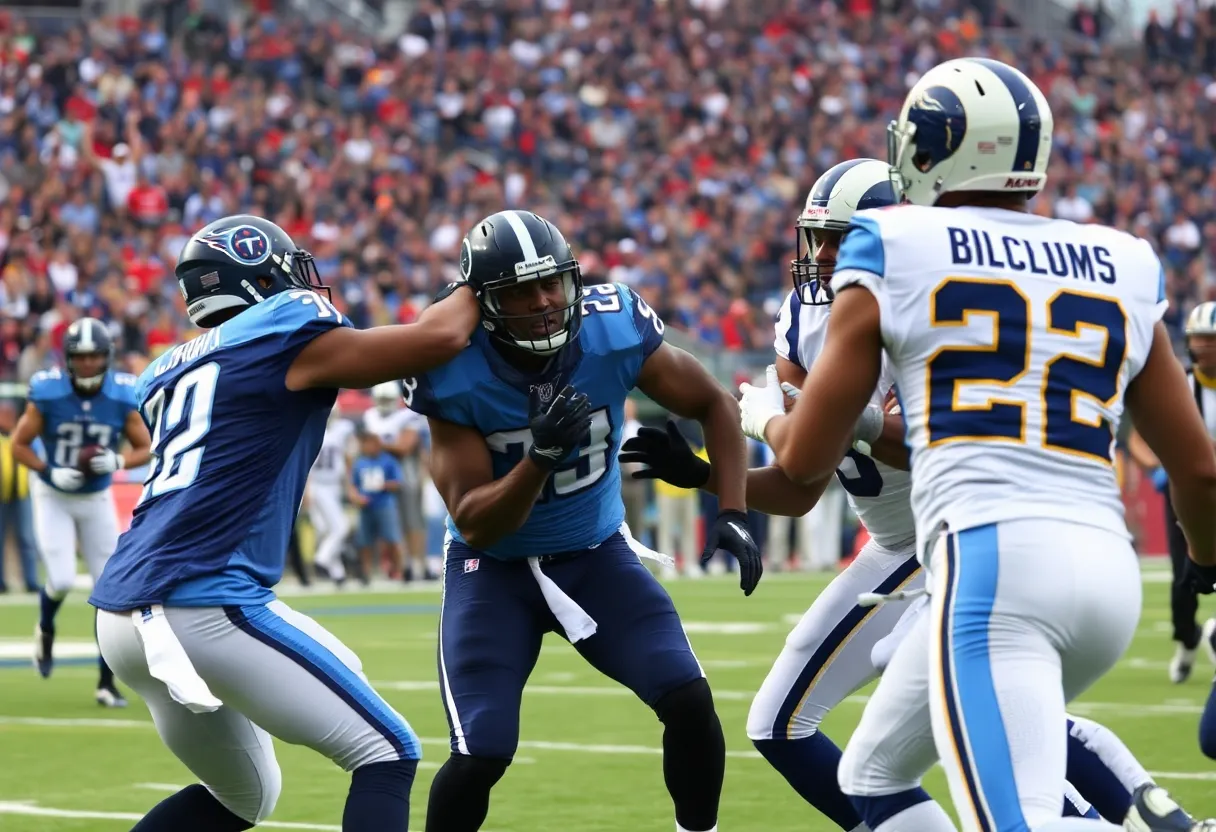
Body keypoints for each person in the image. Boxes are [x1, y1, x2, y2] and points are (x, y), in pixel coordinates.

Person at [620, 161, 1194, 828]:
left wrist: (821, 424)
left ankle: (1137, 815)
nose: (827, 255)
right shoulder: (806, 317)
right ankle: (1145, 818)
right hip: (899, 544)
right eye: (820, 237)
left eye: (844, 236)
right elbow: (803, 484)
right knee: (784, 725)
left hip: (954, 535)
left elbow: (929, 443)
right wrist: (703, 475)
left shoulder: (936, 308)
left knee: (975, 716)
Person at [749, 58, 1216, 831]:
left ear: (929, 153)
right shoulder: (1120, 258)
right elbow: (1198, 465)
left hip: (991, 563)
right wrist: (1205, 560)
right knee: (871, 774)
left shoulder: (893, 243)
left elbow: (800, 465)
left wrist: (761, 418)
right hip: (1109, 564)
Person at [86, 214, 481, 832]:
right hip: (203, 602)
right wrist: (476, 281)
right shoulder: (283, 327)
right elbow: (437, 341)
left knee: (244, 796)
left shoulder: (169, 369)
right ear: (257, 274)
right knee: (387, 752)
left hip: (122, 615)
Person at [407, 209, 761, 832]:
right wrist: (539, 459)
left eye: (552, 283)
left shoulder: (612, 329)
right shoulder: (454, 368)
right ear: (484, 303)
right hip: (493, 570)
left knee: (688, 698)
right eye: (520, 290)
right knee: (481, 750)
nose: (543, 302)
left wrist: (730, 508)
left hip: (595, 551)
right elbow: (477, 521)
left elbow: (712, 401)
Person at [10, 317, 152, 707]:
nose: (88, 364)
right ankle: (45, 626)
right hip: (53, 493)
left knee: (109, 590)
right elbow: (18, 445)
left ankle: (106, 682)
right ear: (69, 359)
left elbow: (146, 446)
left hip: (96, 497)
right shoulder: (49, 392)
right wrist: (49, 469)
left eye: (94, 357)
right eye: (81, 357)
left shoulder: (122, 394)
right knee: (59, 578)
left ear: (106, 357)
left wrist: (119, 460)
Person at [1127, 302, 1216, 684]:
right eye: (1200, 340)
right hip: (1186, 492)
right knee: (1184, 579)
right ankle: (1188, 637)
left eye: (1213, 341)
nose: (1206, 348)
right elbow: (1138, 438)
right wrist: (1161, 466)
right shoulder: (1178, 381)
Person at [349, 428, 405, 583]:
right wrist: (356, 497)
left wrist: (383, 485)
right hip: (366, 506)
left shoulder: (388, 461)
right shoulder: (360, 463)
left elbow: (398, 483)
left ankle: (399, 571)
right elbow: (353, 485)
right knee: (364, 542)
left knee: (392, 539)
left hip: (384, 504)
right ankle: (366, 574)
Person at [308, 405, 356, 584]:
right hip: (319, 485)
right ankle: (321, 559)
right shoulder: (315, 431)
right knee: (340, 527)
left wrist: (348, 486)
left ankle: (338, 573)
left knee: (329, 530)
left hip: (335, 485)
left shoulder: (342, 430)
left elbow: (347, 457)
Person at [0, 400, 40, 593]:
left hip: (23, 493)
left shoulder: (23, 435)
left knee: (26, 537)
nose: (5, 418)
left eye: (8, 414)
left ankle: (31, 580)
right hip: (2, 494)